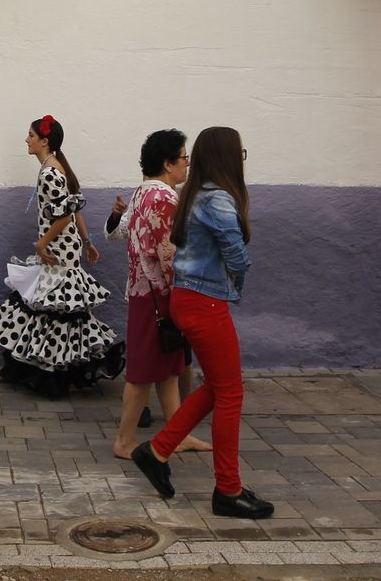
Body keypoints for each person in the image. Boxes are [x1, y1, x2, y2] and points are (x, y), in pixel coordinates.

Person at [130, 126, 273, 520]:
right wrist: (237, 287)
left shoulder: (193, 193)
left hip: (189, 300)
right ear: (228, 158)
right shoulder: (219, 199)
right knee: (232, 394)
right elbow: (237, 256)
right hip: (206, 303)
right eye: (240, 155)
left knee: (220, 388)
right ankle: (228, 489)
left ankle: (157, 450)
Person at [0, 115, 125, 396]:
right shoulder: (58, 167)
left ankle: (42, 375)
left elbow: (63, 216)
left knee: (48, 308)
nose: (27, 140)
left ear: (44, 141)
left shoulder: (50, 172)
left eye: (31, 135)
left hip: (57, 249)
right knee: (52, 309)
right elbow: (73, 210)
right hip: (65, 247)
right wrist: (86, 242)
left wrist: (42, 243)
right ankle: (34, 370)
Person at [109, 129, 211, 459]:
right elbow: (169, 255)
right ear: (168, 164)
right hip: (159, 295)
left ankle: (176, 433)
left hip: (143, 292)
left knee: (167, 369)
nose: (187, 165)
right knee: (142, 375)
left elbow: (121, 232)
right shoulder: (167, 199)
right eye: (184, 158)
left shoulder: (142, 193)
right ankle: (124, 442)